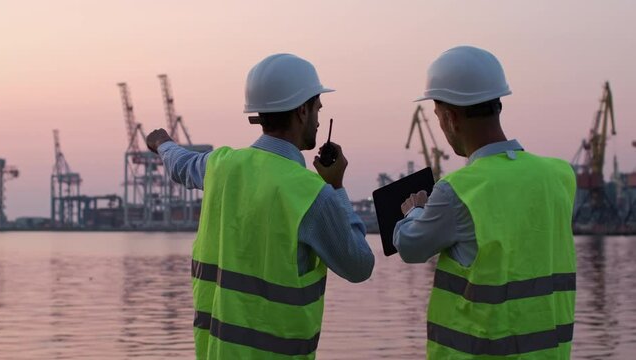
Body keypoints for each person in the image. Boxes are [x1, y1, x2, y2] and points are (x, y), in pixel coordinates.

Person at [146, 53, 374, 359]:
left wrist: (163, 144)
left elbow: (181, 165)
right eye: (318, 108)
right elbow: (359, 265)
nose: (319, 119)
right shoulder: (313, 195)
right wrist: (336, 186)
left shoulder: (220, 166)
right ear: (303, 110)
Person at [393, 46, 576, 359]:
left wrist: (414, 212)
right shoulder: (559, 175)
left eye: (438, 117)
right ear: (498, 104)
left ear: (450, 117)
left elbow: (410, 246)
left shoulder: (460, 190)